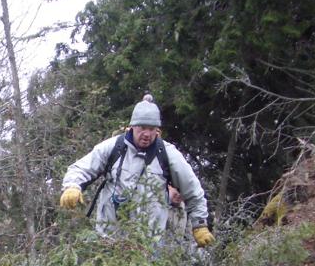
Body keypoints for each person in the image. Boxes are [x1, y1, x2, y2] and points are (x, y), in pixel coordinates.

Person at [58, 94, 214, 247]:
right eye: (142, 128)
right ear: (132, 126)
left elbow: (193, 190)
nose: (146, 134)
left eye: (151, 129)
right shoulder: (114, 147)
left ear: (157, 129)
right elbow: (81, 167)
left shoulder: (168, 154)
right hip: (109, 240)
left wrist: (199, 224)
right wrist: (72, 186)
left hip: (149, 246)